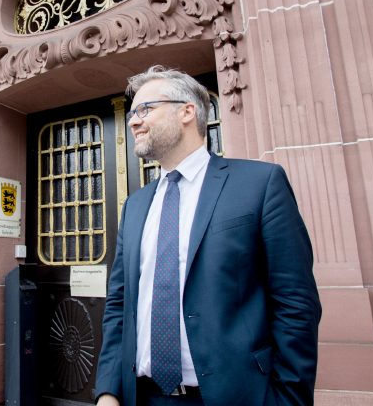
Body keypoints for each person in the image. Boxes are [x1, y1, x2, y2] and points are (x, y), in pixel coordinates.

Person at [95, 66, 321, 405]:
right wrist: (108, 390)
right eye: (132, 114)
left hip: (235, 396)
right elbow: (119, 304)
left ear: (187, 111)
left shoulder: (260, 185)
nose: (133, 122)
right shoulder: (136, 205)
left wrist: (288, 398)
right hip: (142, 396)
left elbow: (295, 304)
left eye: (145, 109)